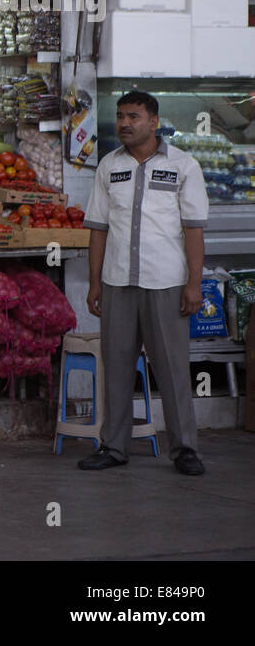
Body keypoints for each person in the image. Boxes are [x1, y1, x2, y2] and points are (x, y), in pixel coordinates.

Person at [80, 91, 207, 476]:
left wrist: (194, 284)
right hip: (118, 282)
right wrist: (95, 283)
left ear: (154, 121)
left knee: (171, 369)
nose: (124, 123)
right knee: (116, 369)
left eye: (133, 116)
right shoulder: (108, 166)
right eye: (120, 115)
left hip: (166, 283)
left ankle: (184, 449)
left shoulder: (184, 166)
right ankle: (113, 446)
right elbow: (98, 231)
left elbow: (193, 231)